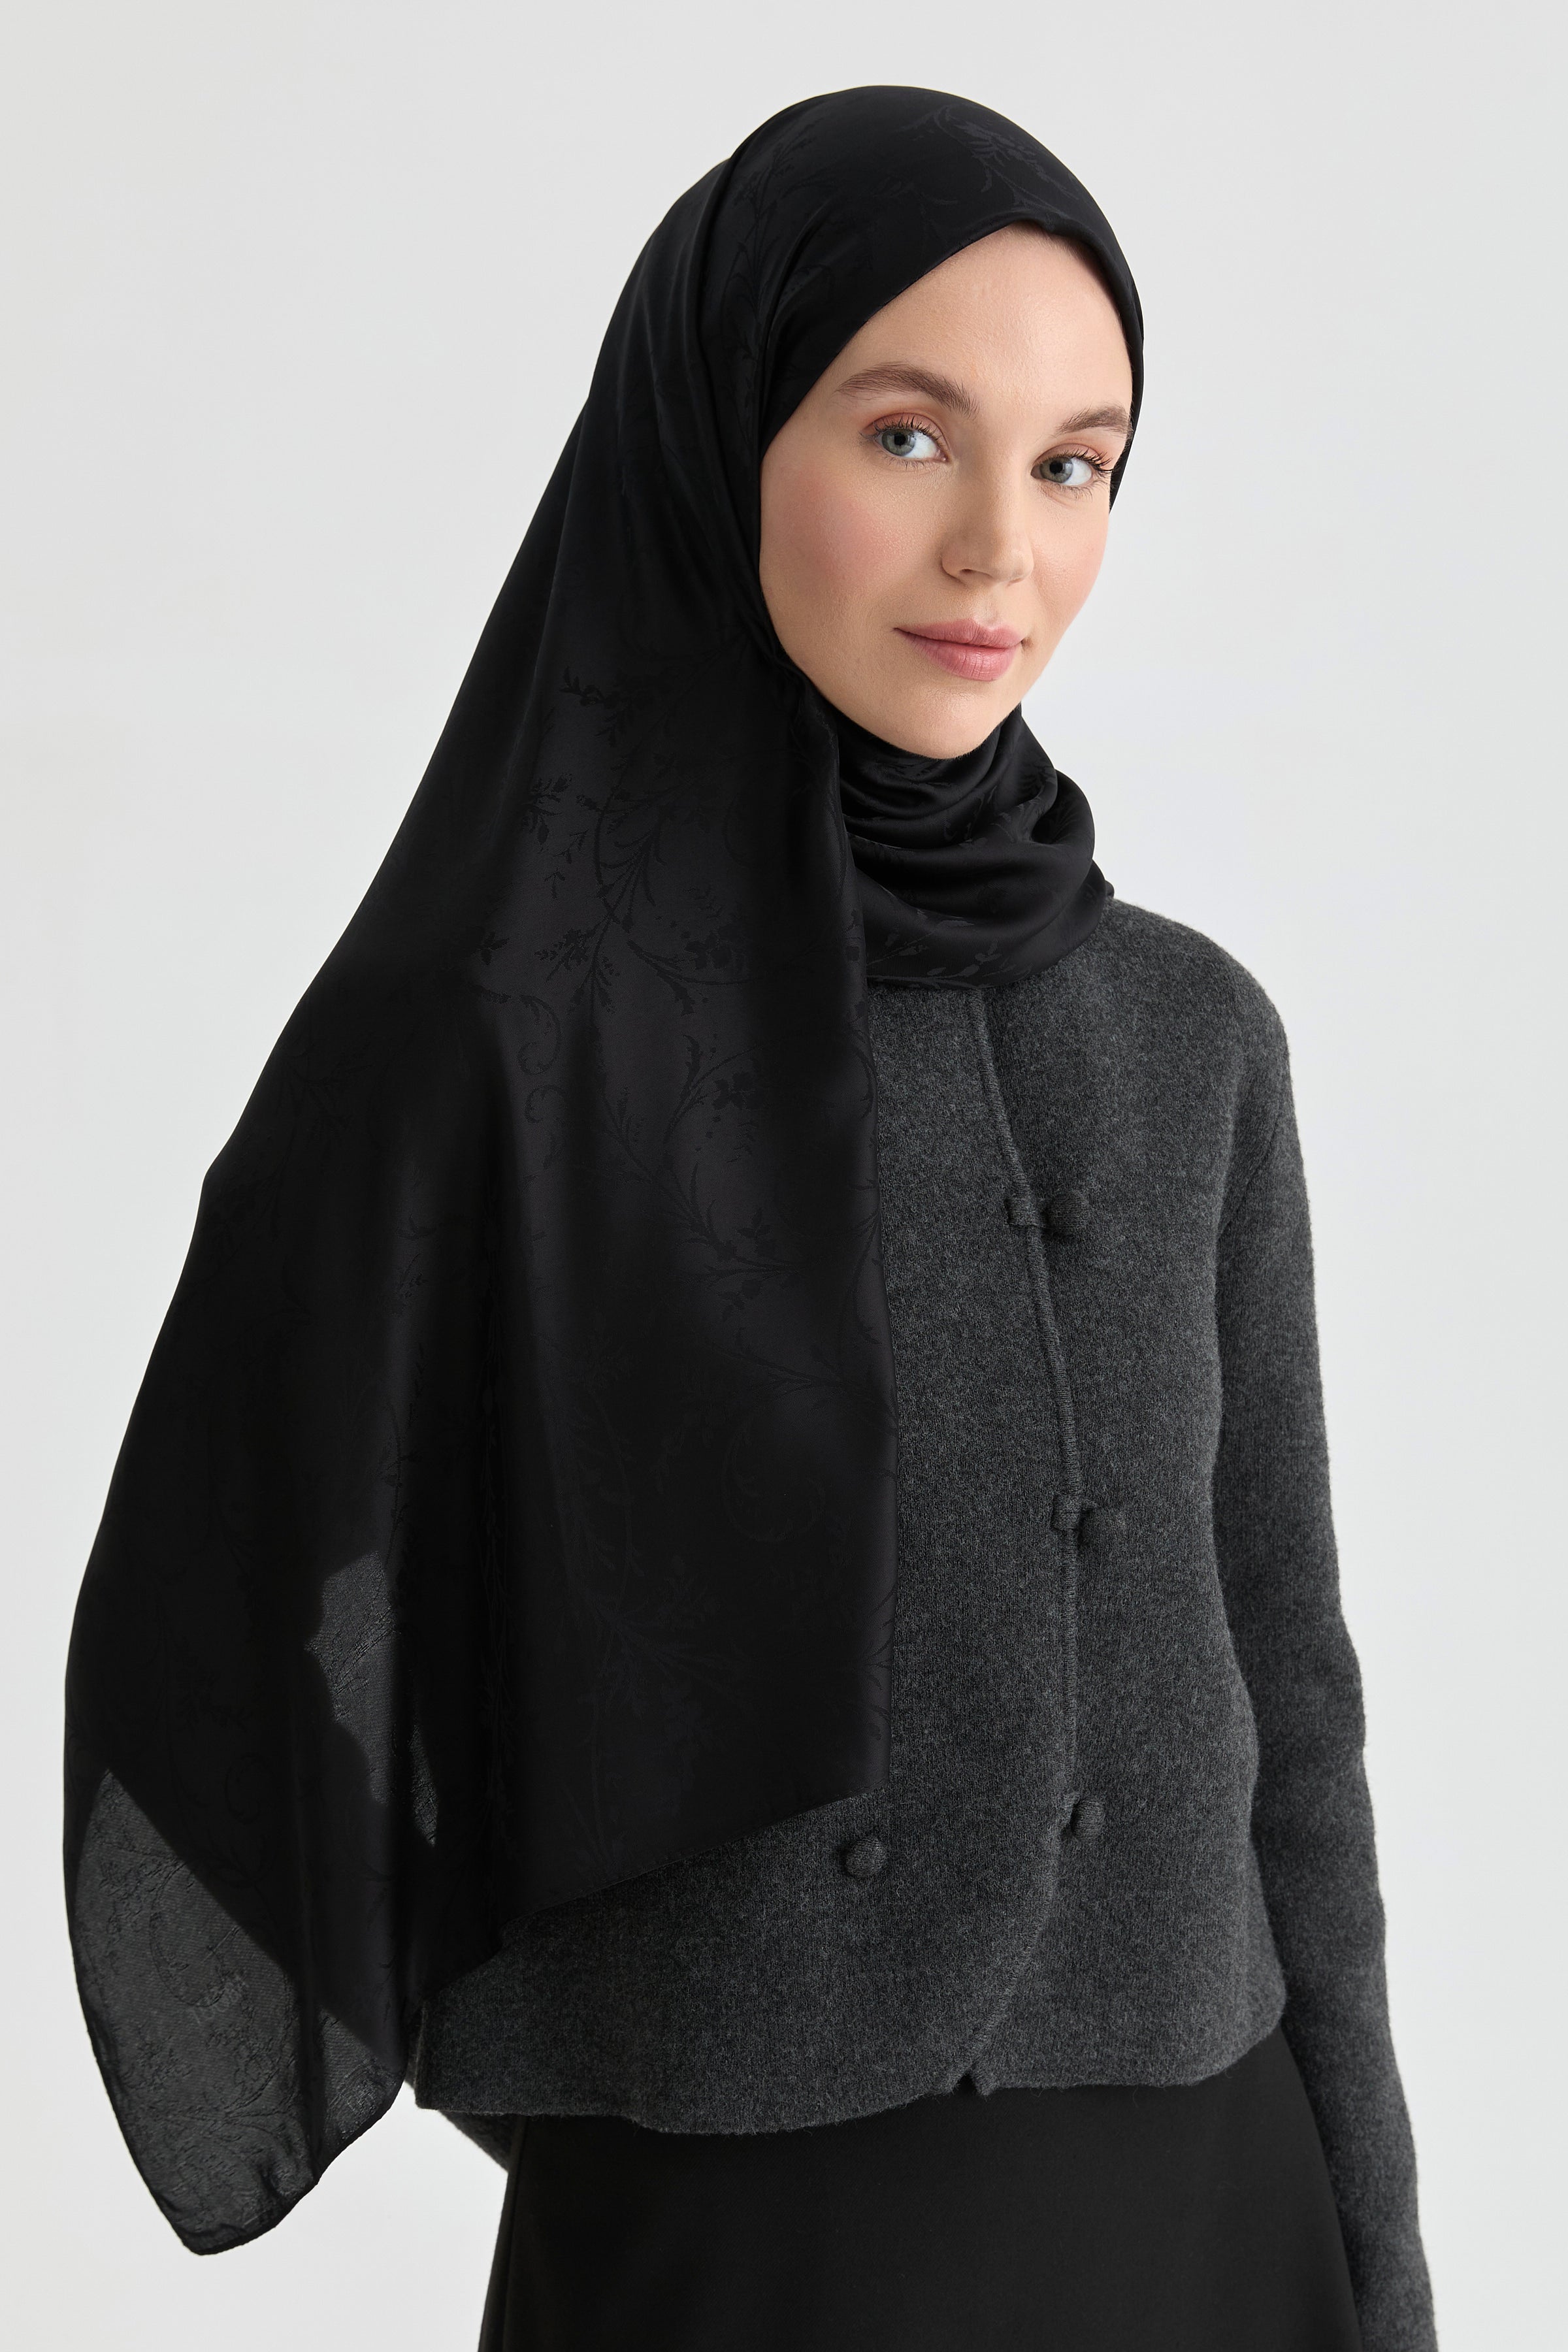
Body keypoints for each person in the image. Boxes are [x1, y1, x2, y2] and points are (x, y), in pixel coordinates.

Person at [64, 86, 1437, 2352]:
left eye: (1075, 464)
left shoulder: (1192, 1038)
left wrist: (1384, 2274)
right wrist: (607, 2042)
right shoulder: (490, 1040)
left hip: (1216, 2200)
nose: (999, 547)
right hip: (737, 2239)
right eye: (910, 436)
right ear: (720, 438)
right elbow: (245, 1621)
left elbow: (1292, 1696)